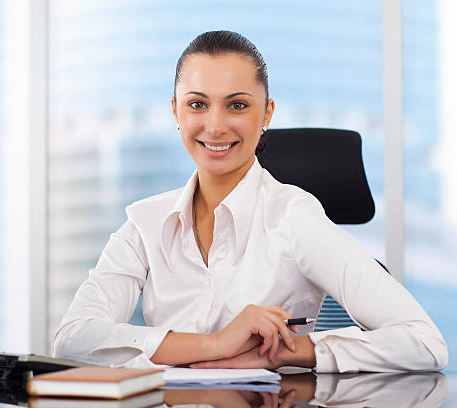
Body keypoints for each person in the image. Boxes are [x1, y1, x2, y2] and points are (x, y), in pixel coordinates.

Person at [52, 30, 448, 372]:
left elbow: (424, 342)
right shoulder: (146, 223)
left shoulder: (294, 217)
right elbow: (73, 338)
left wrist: (289, 353)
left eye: (237, 105)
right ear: (175, 111)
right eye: (197, 104)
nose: (216, 125)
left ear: (266, 114)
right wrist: (216, 344)